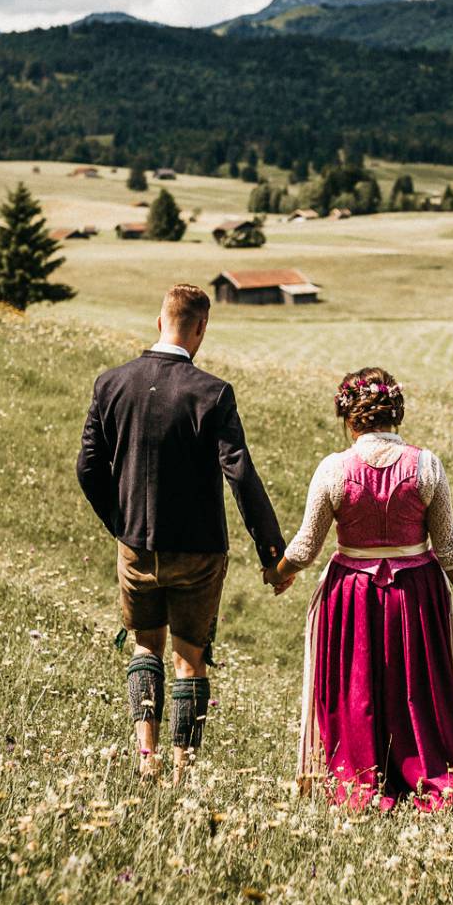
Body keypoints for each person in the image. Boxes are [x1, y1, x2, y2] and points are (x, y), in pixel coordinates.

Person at [76, 284, 290, 782]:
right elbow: (239, 473)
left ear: (159, 322)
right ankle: (181, 770)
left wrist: (123, 523)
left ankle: (145, 758)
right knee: (189, 660)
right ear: (201, 329)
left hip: (137, 547)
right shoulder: (212, 393)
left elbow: (88, 468)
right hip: (198, 553)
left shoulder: (111, 384)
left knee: (145, 647)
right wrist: (271, 551)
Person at [275, 366, 453, 811]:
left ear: (350, 417)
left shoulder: (334, 470)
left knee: (356, 687)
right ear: (394, 413)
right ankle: (423, 769)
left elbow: (305, 546)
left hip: (352, 595)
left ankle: (361, 775)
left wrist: (280, 570)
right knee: (416, 687)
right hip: (414, 594)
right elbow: (450, 547)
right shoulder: (426, 465)